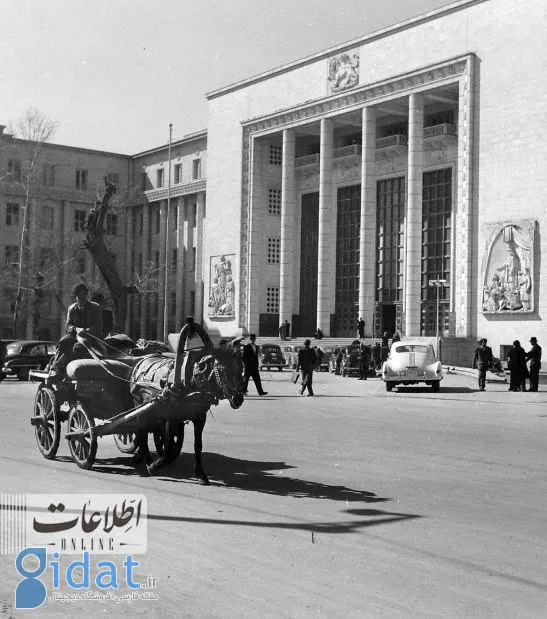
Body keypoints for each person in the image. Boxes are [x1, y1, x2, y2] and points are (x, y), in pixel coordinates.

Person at [47, 283, 103, 381]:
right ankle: (55, 369)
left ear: (87, 295)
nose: (82, 298)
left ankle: (70, 367)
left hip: (91, 336)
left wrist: (87, 331)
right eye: (80, 296)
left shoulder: (95, 307)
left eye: (84, 295)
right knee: (63, 342)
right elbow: (68, 326)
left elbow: (98, 325)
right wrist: (76, 329)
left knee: (78, 347)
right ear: (76, 296)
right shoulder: (72, 308)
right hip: (75, 335)